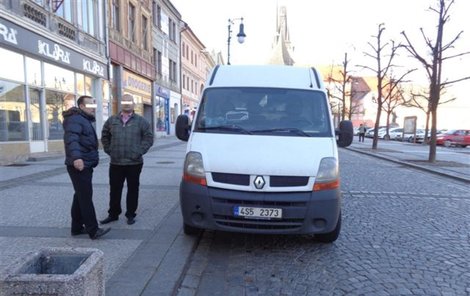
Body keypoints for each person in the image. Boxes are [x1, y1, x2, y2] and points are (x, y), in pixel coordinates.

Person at [100, 94, 154, 225]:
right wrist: (110, 150)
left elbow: (148, 138)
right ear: (120, 103)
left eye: (129, 101)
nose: (127, 104)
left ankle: (130, 214)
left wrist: (139, 152)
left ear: (133, 104)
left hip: (134, 163)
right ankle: (113, 214)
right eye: (124, 101)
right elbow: (104, 136)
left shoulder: (141, 121)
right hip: (116, 162)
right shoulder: (112, 120)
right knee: (114, 189)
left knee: (133, 188)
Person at [62, 95, 111, 239]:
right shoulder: (75, 119)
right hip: (79, 164)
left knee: (80, 195)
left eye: (94, 105)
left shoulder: (82, 119)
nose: (93, 108)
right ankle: (93, 230)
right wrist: (77, 158)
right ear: (81, 106)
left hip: (85, 163)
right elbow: (72, 140)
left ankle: (76, 228)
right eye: (89, 105)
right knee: (85, 197)